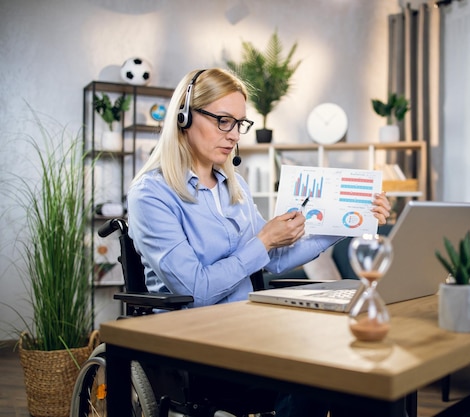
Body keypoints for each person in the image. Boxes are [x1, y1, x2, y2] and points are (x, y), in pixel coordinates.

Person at [126, 68, 391, 416]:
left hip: (250, 329)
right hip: (194, 342)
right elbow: (197, 290)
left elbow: (275, 260)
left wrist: (350, 217)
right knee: (314, 373)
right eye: (223, 121)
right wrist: (263, 240)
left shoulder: (233, 186)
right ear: (184, 117)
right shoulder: (151, 194)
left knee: (358, 370)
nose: (234, 135)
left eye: (239, 124)